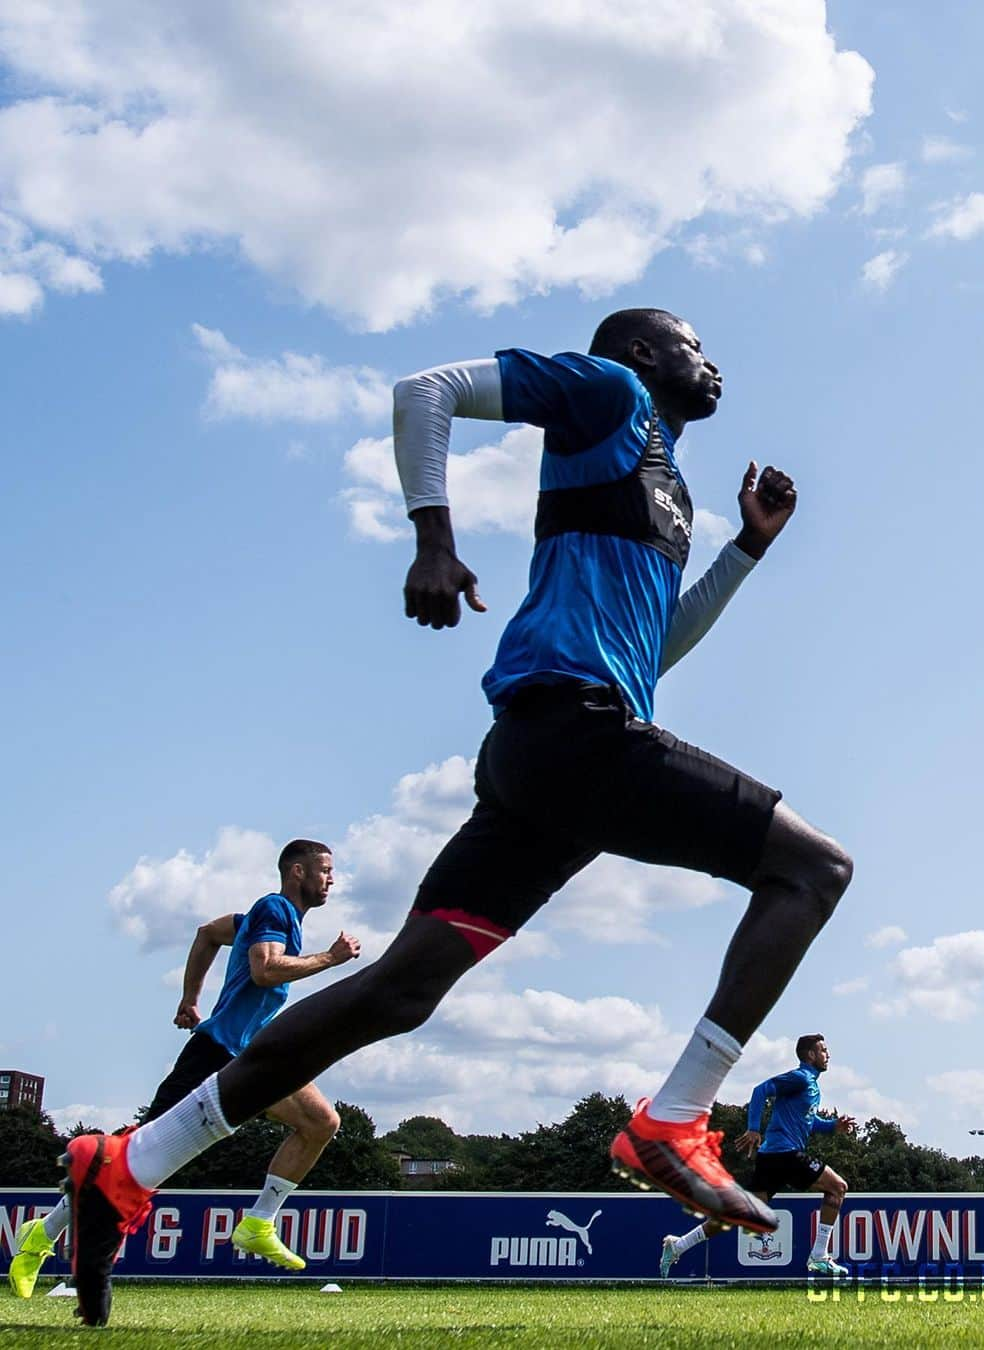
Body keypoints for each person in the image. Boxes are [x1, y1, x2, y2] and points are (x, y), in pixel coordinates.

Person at [61, 309, 852, 1326]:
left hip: (554, 759)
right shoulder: (607, 393)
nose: (716, 362)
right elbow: (423, 391)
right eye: (695, 345)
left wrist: (746, 548)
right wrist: (434, 538)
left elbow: (652, 651)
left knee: (398, 990)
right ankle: (676, 1119)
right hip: (574, 733)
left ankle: (128, 1164)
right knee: (812, 873)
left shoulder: (667, 489)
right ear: (646, 354)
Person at [12, 840, 359, 1308]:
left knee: (321, 1122)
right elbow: (265, 970)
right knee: (135, 1160)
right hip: (217, 1054)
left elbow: (207, 933)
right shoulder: (274, 909)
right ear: (297, 872)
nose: (331, 879)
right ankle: (42, 1233)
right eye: (325, 870)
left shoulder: (266, 919)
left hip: (254, 1055)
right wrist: (330, 959)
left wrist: (189, 999)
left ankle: (258, 1223)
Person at [659, 1034, 854, 1278]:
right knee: (837, 1187)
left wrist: (832, 1126)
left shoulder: (810, 1085)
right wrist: (753, 1127)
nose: (828, 1055)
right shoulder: (800, 1078)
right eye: (823, 1050)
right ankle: (818, 1257)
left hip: (771, 1157)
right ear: (811, 1055)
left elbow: (808, 1121)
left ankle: (677, 1246)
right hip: (785, 1154)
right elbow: (761, 1090)